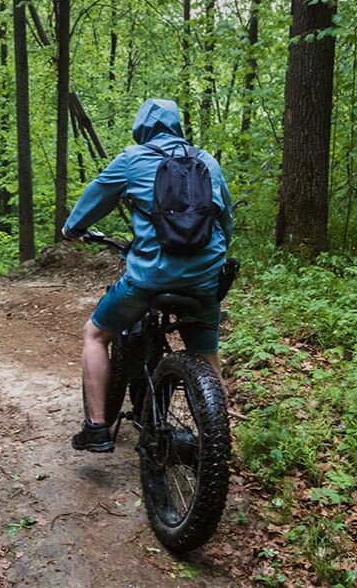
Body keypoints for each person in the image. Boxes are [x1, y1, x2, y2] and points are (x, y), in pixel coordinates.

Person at [62, 98, 233, 452]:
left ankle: (96, 429)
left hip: (148, 279)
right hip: (204, 280)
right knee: (207, 353)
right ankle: (215, 441)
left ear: (142, 128)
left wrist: (72, 229)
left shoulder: (133, 159)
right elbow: (225, 220)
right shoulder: (208, 161)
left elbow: (92, 201)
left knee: (95, 335)